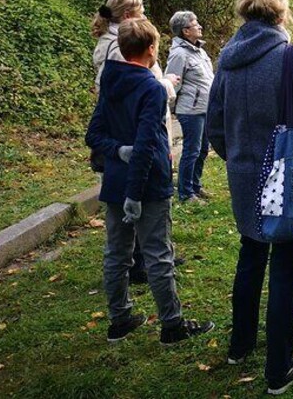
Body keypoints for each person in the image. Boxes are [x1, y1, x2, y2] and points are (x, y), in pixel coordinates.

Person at [207, 0, 293, 395]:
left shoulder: (227, 59)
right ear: (280, 13)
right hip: (285, 179)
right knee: (284, 266)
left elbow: (214, 127)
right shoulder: (292, 57)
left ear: (245, 13)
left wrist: (238, 159)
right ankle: (279, 369)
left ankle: (239, 345)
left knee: (250, 256)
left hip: (244, 176)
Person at [85, 17, 214, 345]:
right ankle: (172, 325)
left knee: (117, 252)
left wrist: (117, 151)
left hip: (115, 179)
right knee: (157, 252)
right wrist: (133, 184)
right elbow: (144, 144)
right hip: (146, 183)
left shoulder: (110, 80)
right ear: (152, 49)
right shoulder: (151, 87)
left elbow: (95, 135)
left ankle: (119, 317)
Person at [91, 0, 180, 284]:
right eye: (141, 12)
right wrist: (166, 84)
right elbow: (131, 91)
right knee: (138, 198)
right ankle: (145, 261)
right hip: (134, 136)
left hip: (136, 132)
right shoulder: (122, 46)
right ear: (128, 15)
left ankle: (148, 255)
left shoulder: (121, 41)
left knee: (137, 206)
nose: (144, 16)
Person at [165, 11, 215, 204]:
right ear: (186, 31)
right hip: (190, 111)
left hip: (204, 108)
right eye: (196, 24)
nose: (200, 27)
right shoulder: (179, 54)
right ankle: (186, 193)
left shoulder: (199, 51)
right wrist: (172, 109)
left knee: (202, 150)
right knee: (192, 150)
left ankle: (195, 186)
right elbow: (172, 84)